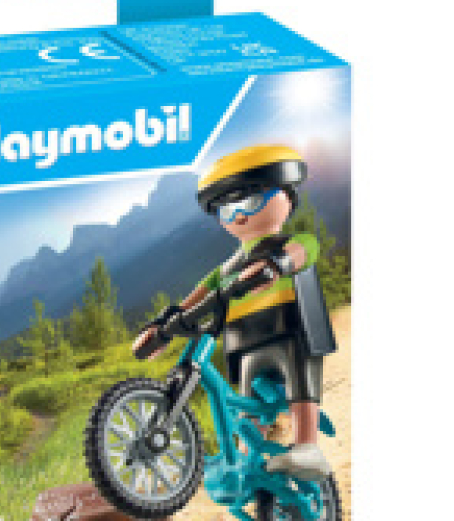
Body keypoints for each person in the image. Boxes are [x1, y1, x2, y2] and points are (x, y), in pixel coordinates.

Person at [139, 145, 337, 478]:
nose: (239, 215)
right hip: (245, 343)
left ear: (286, 196)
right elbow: (198, 295)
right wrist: (163, 326)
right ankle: (247, 459)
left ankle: (307, 447)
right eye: (227, 209)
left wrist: (277, 263)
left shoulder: (293, 241)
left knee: (300, 376)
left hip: (290, 330)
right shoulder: (227, 267)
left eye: (250, 201)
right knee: (247, 402)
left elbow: (302, 251)